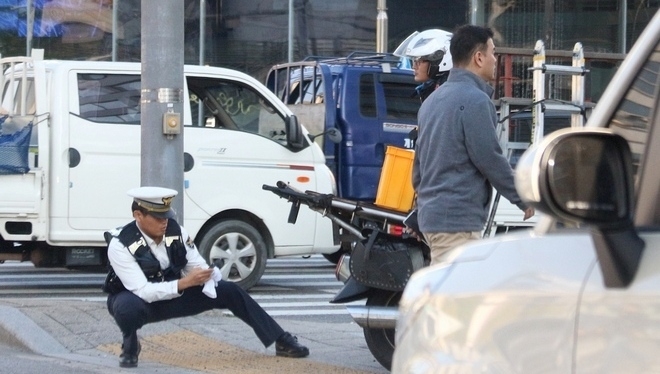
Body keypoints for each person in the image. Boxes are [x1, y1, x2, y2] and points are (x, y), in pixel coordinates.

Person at [104, 186, 309, 368]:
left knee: (230, 290)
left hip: (174, 293)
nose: (164, 222)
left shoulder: (176, 232)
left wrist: (205, 274)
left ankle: (281, 339)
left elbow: (195, 264)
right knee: (126, 308)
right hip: (140, 301)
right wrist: (184, 283)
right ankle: (130, 347)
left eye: (167, 216)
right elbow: (142, 291)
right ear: (138, 215)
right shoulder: (120, 244)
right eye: (158, 218)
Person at [412, 25, 535, 266]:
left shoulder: (430, 102)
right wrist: (522, 197)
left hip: (433, 219)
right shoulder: (476, 101)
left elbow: (418, 170)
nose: (495, 59)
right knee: (453, 298)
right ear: (479, 58)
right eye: (493, 52)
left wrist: (424, 209)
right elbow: (489, 158)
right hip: (457, 222)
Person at [394, 28, 453, 102]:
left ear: (438, 60)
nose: (414, 66)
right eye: (413, 61)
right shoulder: (432, 89)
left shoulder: (450, 94)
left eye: (419, 60)